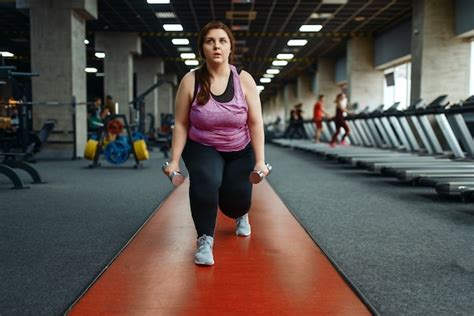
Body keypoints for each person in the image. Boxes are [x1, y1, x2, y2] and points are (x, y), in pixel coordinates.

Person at [163, 21, 269, 266]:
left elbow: (255, 122)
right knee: (206, 181)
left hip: (240, 148)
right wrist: (175, 160)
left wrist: (260, 160)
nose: (217, 46)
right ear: (202, 48)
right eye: (210, 41)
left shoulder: (244, 80)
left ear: (230, 47)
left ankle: (241, 213)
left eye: (222, 41)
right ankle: (204, 239)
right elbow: (180, 123)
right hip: (202, 146)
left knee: (235, 201)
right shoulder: (191, 80)